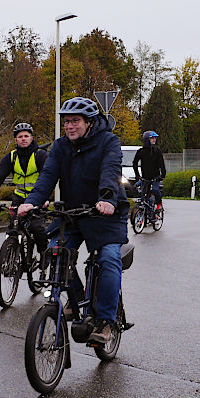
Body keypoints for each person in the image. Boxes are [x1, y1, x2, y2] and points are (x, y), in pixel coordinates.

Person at [17, 97, 129, 344]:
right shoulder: (60, 146)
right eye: (66, 122)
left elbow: (111, 171)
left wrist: (108, 199)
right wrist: (32, 201)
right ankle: (77, 299)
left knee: (109, 259)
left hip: (105, 214)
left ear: (89, 123)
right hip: (73, 213)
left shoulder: (108, 142)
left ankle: (106, 322)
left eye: (75, 121)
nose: (69, 126)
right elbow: (47, 177)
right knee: (56, 252)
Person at [0, 122, 48, 255]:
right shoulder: (11, 157)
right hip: (19, 198)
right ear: (15, 140)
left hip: (38, 198)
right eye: (20, 136)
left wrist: (45, 198)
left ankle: (44, 254)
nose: (23, 139)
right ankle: (11, 256)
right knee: (13, 227)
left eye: (26, 136)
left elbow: (47, 178)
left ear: (31, 138)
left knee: (37, 228)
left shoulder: (40, 155)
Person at [133, 130, 166, 210]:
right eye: (152, 138)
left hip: (155, 176)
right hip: (145, 177)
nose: (154, 139)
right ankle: (144, 211)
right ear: (147, 139)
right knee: (142, 193)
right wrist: (137, 175)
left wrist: (162, 175)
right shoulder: (141, 151)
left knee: (155, 189)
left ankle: (158, 203)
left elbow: (161, 163)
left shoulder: (157, 150)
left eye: (155, 138)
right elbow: (135, 163)